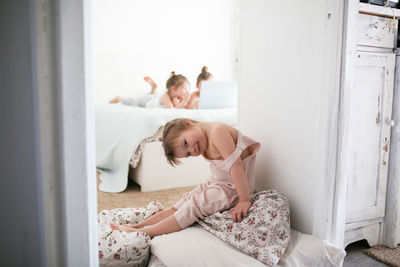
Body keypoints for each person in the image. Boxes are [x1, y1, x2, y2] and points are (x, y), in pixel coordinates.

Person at [111, 118, 260, 238]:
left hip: (232, 189)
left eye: (186, 143)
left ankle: (144, 233)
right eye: (188, 153)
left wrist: (244, 200)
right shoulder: (203, 136)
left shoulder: (217, 131)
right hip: (217, 181)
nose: (192, 150)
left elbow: (237, 166)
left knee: (193, 206)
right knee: (184, 200)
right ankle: (137, 226)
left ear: (188, 124)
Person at [109, 72, 190, 108]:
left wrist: (182, 102)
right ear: (174, 88)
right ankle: (120, 98)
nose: (186, 91)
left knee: (154, 95)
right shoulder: (166, 97)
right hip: (146, 102)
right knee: (133, 102)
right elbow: (171, 111)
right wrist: (184, 101)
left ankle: (153, 89)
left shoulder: (176, 98)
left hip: (155, 98)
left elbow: (177, 107)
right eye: (184, 88)